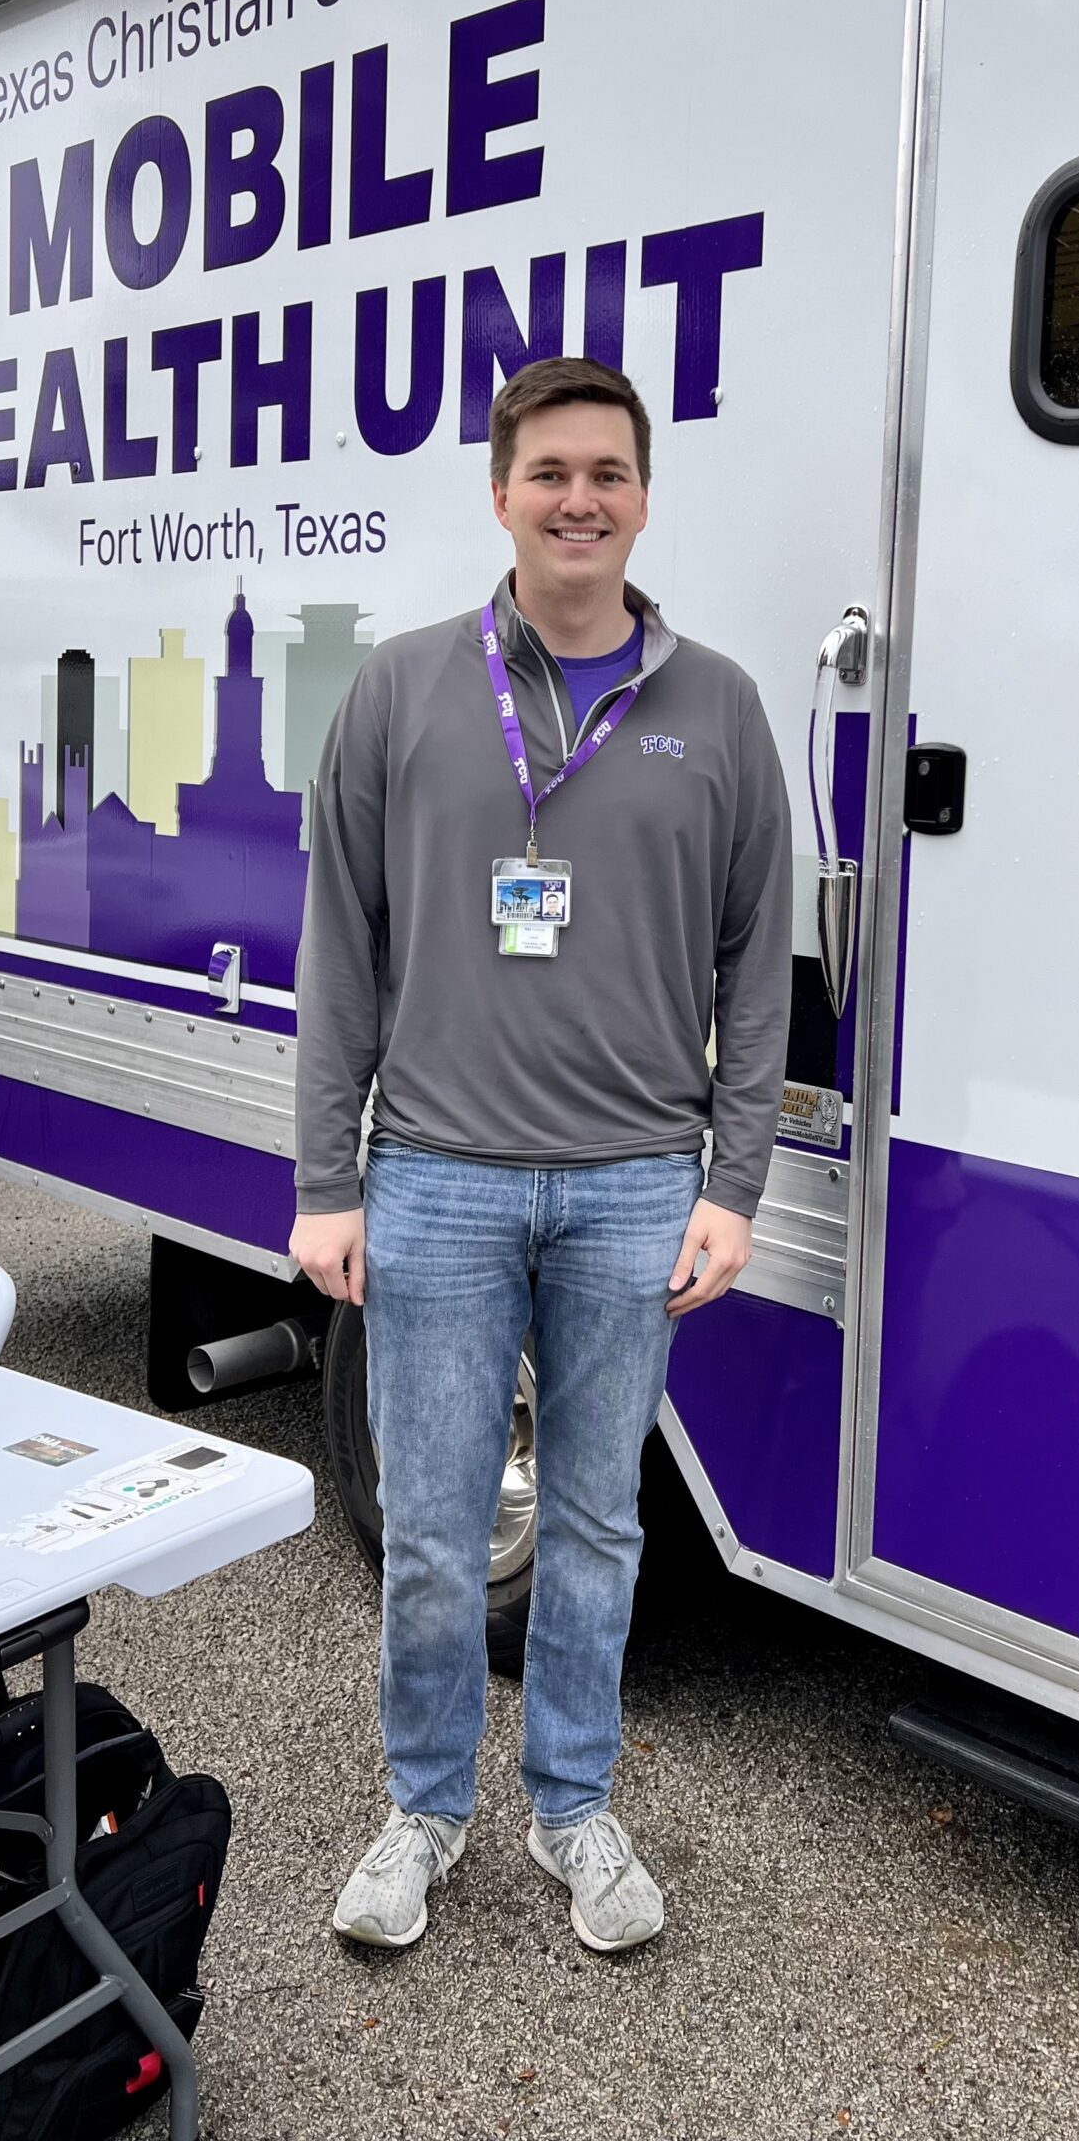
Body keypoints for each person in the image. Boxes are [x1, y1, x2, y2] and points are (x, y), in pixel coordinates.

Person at [290, 354, 792, 1954]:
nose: (582, 500)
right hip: (434, 1175)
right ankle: (426, 1808)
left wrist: (733, 1183)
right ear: (499, 493)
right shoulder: (402, 689)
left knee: (594, 1526)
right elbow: (339, 945)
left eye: (611, 474)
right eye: (551, 472)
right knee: (436, 1533)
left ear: (645, 498)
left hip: (637, 1185)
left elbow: (757, 962)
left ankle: (573, 1810)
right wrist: (324, 1180)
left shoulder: (715, 706)